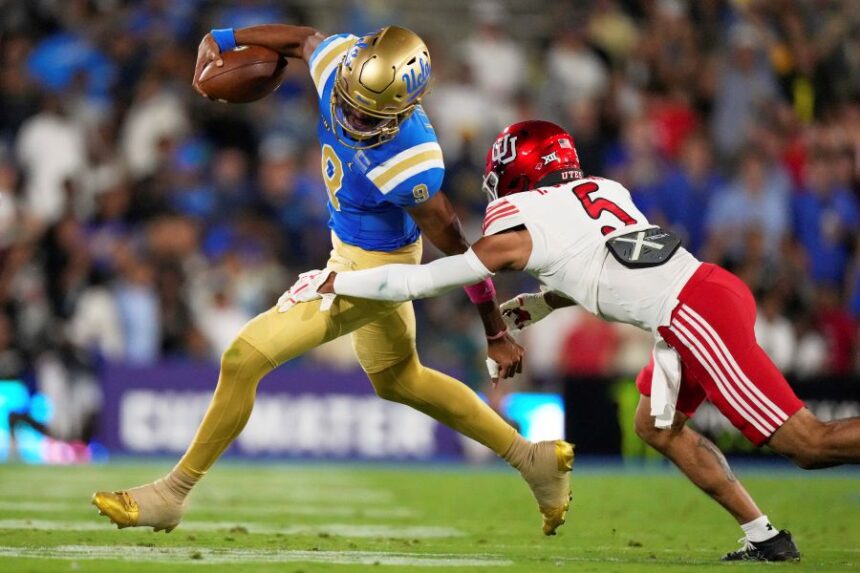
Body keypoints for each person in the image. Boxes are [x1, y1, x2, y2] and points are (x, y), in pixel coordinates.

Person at [285, 120, 860, 561]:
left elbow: (422, 280)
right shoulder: (600, 188)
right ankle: (765, 536)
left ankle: (765, 531)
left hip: (692, 312)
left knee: (806, 444)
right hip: (701, 293)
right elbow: (609, 265)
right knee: (655, 427)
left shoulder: (520, 228)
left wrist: (337, 279)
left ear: (518, 173)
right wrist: (545, 300)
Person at [91, 25, 574, 537]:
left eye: (370, 114)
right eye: (349, 101)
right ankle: (531, 459)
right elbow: (301, 39)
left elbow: (463, 253)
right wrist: (224, 37)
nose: (351, 116)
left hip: (376, 269)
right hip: (347, 248)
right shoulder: (339, 66)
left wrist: (495, 330)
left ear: (404, 109)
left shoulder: (411, 165)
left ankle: (173, 493)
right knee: (399, 379)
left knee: (243, 357)